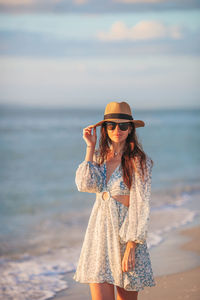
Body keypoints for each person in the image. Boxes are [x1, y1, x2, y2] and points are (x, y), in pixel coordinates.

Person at [73, 101, 156, 300]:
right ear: (105, 129)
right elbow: (85, 185)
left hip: (125, 239)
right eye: (111, 125)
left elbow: (140, 205)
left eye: (123, 125)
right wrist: (90, 147)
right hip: (99, 238)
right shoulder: (100, 158)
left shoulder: (139, 161)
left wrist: (131, 246)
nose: (117, 130)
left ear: (130, 129)